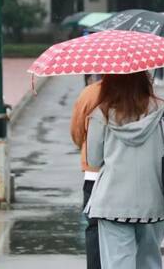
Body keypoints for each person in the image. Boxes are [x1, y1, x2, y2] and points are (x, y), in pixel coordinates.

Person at [84, 72, 164, 269]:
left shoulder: (100, 114)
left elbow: (93, 159)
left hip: (111, 204)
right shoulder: (161, 110)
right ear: (144, 80)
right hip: (153, 202)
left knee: (117, 263)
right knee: (149, 261)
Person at [70, 80, 103, 269]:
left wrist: (87, 144)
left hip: (94, 173)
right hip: (132, 174)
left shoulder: (90, 93)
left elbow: (76, 131)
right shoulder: (143, 94)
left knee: (94, 228)